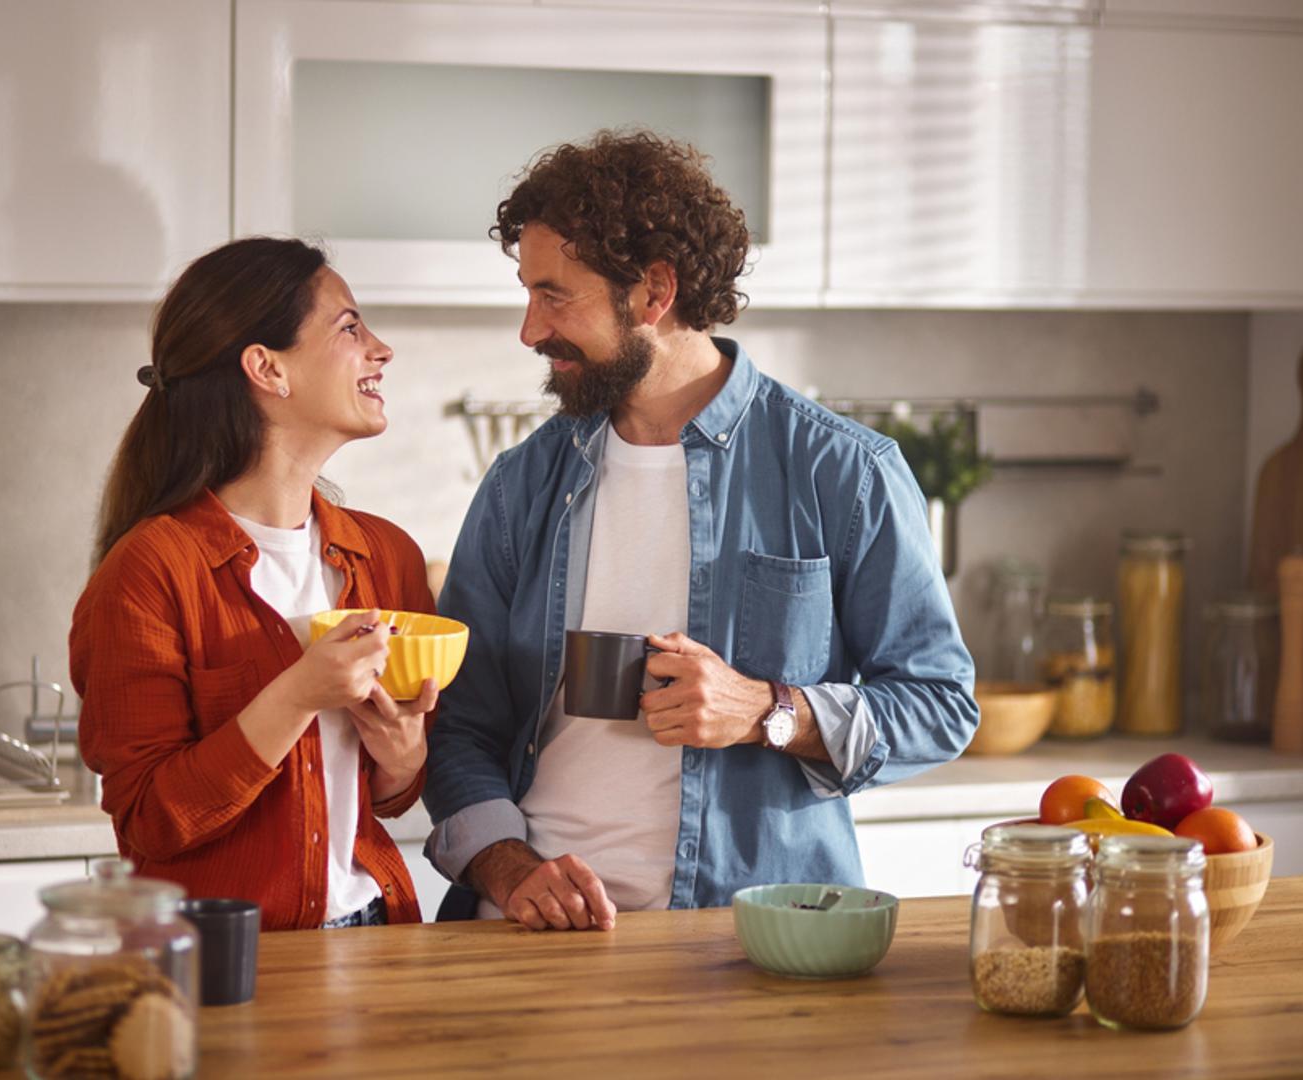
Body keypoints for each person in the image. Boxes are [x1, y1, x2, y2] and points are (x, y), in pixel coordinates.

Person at [423, 131, 979, 930]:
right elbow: (461, 725)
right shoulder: (522, 484)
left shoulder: (842, 471)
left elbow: (941, 704)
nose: (530, 330)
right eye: (528, 293)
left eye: (555, 295)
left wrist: (768, 711)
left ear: (654, 293)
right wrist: (510, 872)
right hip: (529, 939)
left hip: (746, 942)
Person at [71, 237, 438, 930]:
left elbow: (393, 795)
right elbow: (151, 818)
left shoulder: (386, 556)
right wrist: (298, 693)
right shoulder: (149, 572)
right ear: (267, 368)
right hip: (217, 956)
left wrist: (403, 755)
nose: (381, 349)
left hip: (374, 930)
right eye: (351, 327)